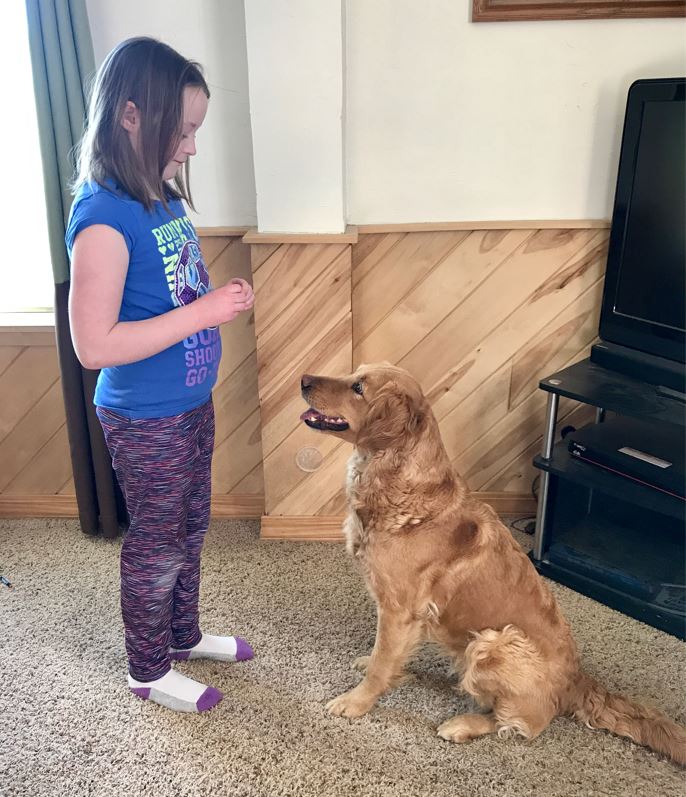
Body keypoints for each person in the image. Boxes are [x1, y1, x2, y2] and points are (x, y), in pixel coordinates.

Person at [65, 37, 255, 713]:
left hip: (190, 403)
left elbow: (168, 294)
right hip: (145, 417)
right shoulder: (103, 216)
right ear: (131, 116)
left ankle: (182, 633)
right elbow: (94, 343)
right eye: (184, 131)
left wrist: (208, 305)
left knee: (191, 525)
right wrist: (206, 309)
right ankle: (146, 667)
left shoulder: (159, 198)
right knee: (158, 539)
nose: (193, 147)